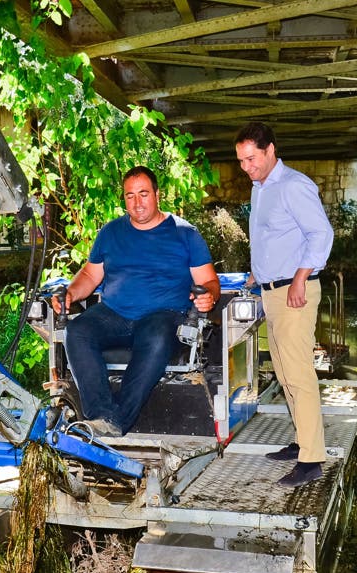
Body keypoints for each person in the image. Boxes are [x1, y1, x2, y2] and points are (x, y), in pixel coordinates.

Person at [53, 166, 219, 437]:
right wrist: (71, 293)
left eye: (143, 194)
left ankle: (117, 422)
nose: (137, 203)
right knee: (77, 331)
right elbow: (90, 275)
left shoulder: (185, 233)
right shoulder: (110, 233)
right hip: (115, 314)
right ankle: (99, 417)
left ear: (157, 194)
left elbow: (210, 281)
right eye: (130, 196)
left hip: (163, 316)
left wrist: (208, 296)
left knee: (155, 335)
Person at [234, 122, 334, 488]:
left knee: (299, 374)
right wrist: (255, 274)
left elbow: (321, 234)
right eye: (241, 160)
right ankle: (301, 441)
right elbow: (271, 239)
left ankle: (312, 461)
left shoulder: (294, 185)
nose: (246, 167)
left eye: (251, 159)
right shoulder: (260, 188)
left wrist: (297, 278)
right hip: (270, 292)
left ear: (270, 149)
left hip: (296, 291)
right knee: (283, 372)